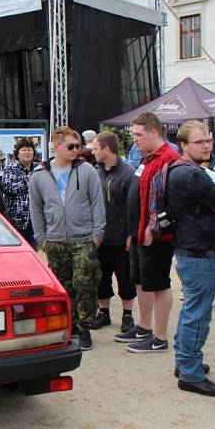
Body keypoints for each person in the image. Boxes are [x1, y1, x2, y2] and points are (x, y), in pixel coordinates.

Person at [165, 121, 215, 396]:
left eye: (208, 140)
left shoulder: (180, 169)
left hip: (192, 249)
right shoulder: (192, 175)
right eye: (200, 142)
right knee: (198, 314)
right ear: (183, 145)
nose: (207, 145)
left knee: (192, 311)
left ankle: (185, 363)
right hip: (199, 252)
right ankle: (191, 373)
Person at [29, 126, 105, 350]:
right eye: (71, 146)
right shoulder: (39, 174)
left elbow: (97, 202)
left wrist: (97, 235)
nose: (75, 150)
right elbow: (36, 207)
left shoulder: (87, 171)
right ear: (56, 146)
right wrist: (41, 237)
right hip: (54, 241)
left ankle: (85, 327)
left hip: (83, 238)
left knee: (85, 283)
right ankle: (70, 324)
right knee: (63, 286)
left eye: (78, 146)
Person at [114, 112, 181, 353]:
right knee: (141, 282)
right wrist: (134, 231)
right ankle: (144, 327)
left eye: (138, 135)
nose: (134, 140)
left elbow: (168, 200)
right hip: (140, 232)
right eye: (133, 135)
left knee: (159, 284)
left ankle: (160, 338)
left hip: (157, 236)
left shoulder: (169, 158)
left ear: (154, 132)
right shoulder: (147, 157)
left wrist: (152, 228)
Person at [91, 132, 137, 332]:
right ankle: (104, 313)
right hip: (100, 237)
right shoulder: (96, 172)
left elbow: (133, 205)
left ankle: (127, 316)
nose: (92, 152)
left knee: (125, 278)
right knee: (101, 277)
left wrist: (130, 234)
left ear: (106, 149)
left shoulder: (128, 173)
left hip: (121, 237)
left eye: (95, 148)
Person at [1, 138, 38, 247]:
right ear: (17, 153)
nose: (27, 152)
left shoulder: (38, 168)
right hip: (17, 219)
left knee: (34, 250)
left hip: (36, 218)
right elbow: (8, 188)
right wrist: (27, 181)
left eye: (29, 150)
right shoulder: (11, 168)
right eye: (24, 150)